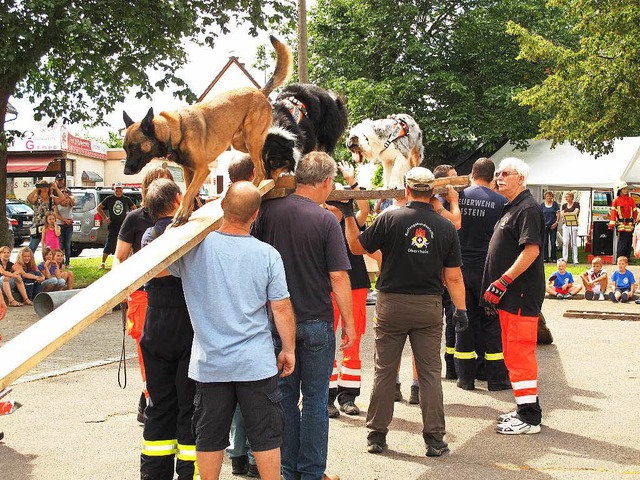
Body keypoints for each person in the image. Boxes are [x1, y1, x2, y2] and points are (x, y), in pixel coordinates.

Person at [167, 181, 296, 480]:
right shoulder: (267, 255)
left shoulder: (193, 249)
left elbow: (159, 262)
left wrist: (193, 219)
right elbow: (281, 308)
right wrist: (288, 349)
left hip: (210, 364)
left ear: (221, 207)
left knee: (209, 435)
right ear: (256, 215)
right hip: (255, 363)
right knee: (266, 435)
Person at [343, 167, 468, 457]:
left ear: (407, 190)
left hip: (391, 305)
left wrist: (349, 213)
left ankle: (377, 434)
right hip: (428, 306)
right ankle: (435, 439)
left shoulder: (389, 218)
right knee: (429, 374)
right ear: (432, 192)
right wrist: (461, 310)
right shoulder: (446, 227)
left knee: (385, 371)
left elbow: (355, 246)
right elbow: (454, 277)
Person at [252, 152, 355, 480]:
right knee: (315, 401)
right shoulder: (326, 220)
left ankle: (287, 470)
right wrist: (349, 323)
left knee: (283, 398)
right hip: (316, 323)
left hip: (278, 323)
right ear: (326, 182)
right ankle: (312, 473)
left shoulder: (268, 212)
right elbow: (338, 277)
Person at [137, 178, 196, 480]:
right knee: (189, 404)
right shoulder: (188, 232)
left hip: (156, 325)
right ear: (177, 200)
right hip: (187, 323)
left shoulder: (149, 234)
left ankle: (154, 474)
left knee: (159, 404)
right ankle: (189, 473)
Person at [482, 157, 545, 435]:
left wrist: (503, 281)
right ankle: (524, 407)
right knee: (512, 353)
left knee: (520, 354)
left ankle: (530, 418)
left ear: (520, 177)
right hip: (510, 296)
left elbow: (531, 250)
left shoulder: (528, 208)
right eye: (497, 173)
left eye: (505, 173)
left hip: (519, 294)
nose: (499, 177)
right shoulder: (513, 206)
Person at [114, 166, 175, 424]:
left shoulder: (183, 218)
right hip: (142, 296)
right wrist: (123, 289)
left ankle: (151, 397)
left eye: (169, 184)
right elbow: (119, 258)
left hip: (176, 296)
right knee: (147, 352)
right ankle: (152, 398)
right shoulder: (135, 218)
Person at [454, 157, 510, 391]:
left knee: (463, 321)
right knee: (491, 322)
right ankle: (495, 378)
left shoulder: (459, 197)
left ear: (472, 173)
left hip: (459, 270)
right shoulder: (501, 202)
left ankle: (465, 378)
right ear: (492, 175)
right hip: (488, 270)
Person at [325, 161, 370, 418]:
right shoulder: (320, 222)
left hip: (356, 286)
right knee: (326, 340)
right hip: (329, 288)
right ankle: (327, 396)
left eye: (339, 203)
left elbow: (364, 207)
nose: (334, 207)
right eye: (331, 201)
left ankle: (348, 395)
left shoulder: (353, 222)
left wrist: (352, 183)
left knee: (353, 341)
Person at [223, 153, 259, 477]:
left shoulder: (217, 207)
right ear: (252, 173)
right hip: (250, 310)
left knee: (228, 393)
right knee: (252, 391)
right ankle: (247, 456)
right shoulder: (254, 205)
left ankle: (235, 454)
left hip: (220, 311)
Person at [431, 164, 461, 389]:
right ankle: (441, 368)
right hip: (437, 271)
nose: (457, 182)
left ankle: (450, 366)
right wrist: (455, 201)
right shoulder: (435, 202)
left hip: (440, 268)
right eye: (452, 179)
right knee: (437, 321)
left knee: (450, 320)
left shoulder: (436, 201)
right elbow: (456, 223)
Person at [97, 183, 136, 270]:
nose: (118, 192)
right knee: (109, 243)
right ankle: (103, 263)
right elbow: (99, 208)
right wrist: (105, 218)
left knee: (125, 243)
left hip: (123, 225)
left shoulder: (126, 199)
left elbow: (134, 208)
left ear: (122, 190)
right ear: (114, 190)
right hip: (113, 225)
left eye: (120, 190)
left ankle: (125, 261)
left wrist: (130, 217)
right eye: (116, 190)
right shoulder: (109, 199)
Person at [27, 180, 62, 254]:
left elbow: (62, 199)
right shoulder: (37, 198)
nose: (45, 188)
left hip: (49, 227)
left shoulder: (51, 198)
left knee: (50, 248)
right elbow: (29, 199)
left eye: (47, 186)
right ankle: (27, 262)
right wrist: (37, 188)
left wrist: (56, 188)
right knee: (32, 247)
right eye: (43, 186)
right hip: (37, 225)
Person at [609, 182, 638, 260]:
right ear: (620, 190)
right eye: (624, 189)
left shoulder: (631, 200)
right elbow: (613, 213)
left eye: (626, 189)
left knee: (629, 242)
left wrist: (637, 220)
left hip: (630, 224)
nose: (626, 190)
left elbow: (635, 211)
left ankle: (626, 259)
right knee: (623, 242)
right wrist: (612, 224)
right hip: (622, 224)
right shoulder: (616, 201)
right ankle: (620, 259)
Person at [54, 186, 75, 265]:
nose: (64, 193)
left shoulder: (69, 201)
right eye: (62, 192)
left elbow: (73, 204)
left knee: (67, 244)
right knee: (61, 244)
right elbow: (56, 214)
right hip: (60, 225)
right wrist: (65, 220)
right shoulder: (57, 202)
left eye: (66, 192)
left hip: (69, 225)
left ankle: (67, 262)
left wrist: (69, 197)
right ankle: (60, 262)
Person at [560, 191, 580, 265]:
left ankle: (575, 259)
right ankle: (564, 259)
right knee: (565, 242)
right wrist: (568, 213)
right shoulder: (564, 205)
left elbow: (576, 212)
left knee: (573, 242)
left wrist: (567, 213)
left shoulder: (576, 204)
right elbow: (562, 214)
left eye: (567, 197)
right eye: (565, 197)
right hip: (566, 224)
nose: (566, 198)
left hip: (573, 224)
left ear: (571, 197)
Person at [541, 191, 560, 262]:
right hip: (545, 225)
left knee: (553, 242)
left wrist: (556, 222)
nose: (549, 198)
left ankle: (554, 258)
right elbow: (540, 215)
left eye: (550, 196)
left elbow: (558, 214)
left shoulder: (555, 204)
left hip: (553, 225)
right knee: (545, 242)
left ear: (552, 197)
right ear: (545, 197)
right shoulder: (542, 205)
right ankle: (545, 258)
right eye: (547, 196)